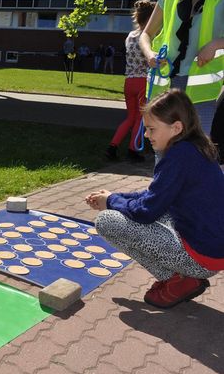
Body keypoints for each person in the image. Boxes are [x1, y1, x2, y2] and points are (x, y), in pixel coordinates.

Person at [86, 89, 224, 309]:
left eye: (151, 129)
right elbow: (155, 195)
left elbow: (146, 211)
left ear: (176, 127)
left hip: (201, 258)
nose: (147, 135)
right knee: (154, 209)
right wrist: (115, 196)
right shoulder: (194, 148)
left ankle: (177, 280)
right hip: (213, 250)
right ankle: (183, 277)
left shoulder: (177, 156)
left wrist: (111, 202)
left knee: (107, 221)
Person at [139, 0, 223, 136]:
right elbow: (145, 35)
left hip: (201, 93)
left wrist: (215, 45)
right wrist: (149, 54)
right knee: (163, 150)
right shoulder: (168, 0)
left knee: (196, 149)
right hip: (165, 86)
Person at [106, 0, 156, 162]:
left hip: (129, 81)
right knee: (140, 119)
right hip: (143, 82)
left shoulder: (130, 36)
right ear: (151, 18)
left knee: (130, 117)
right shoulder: (149, 37)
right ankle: (133, 150)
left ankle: (112, 147)